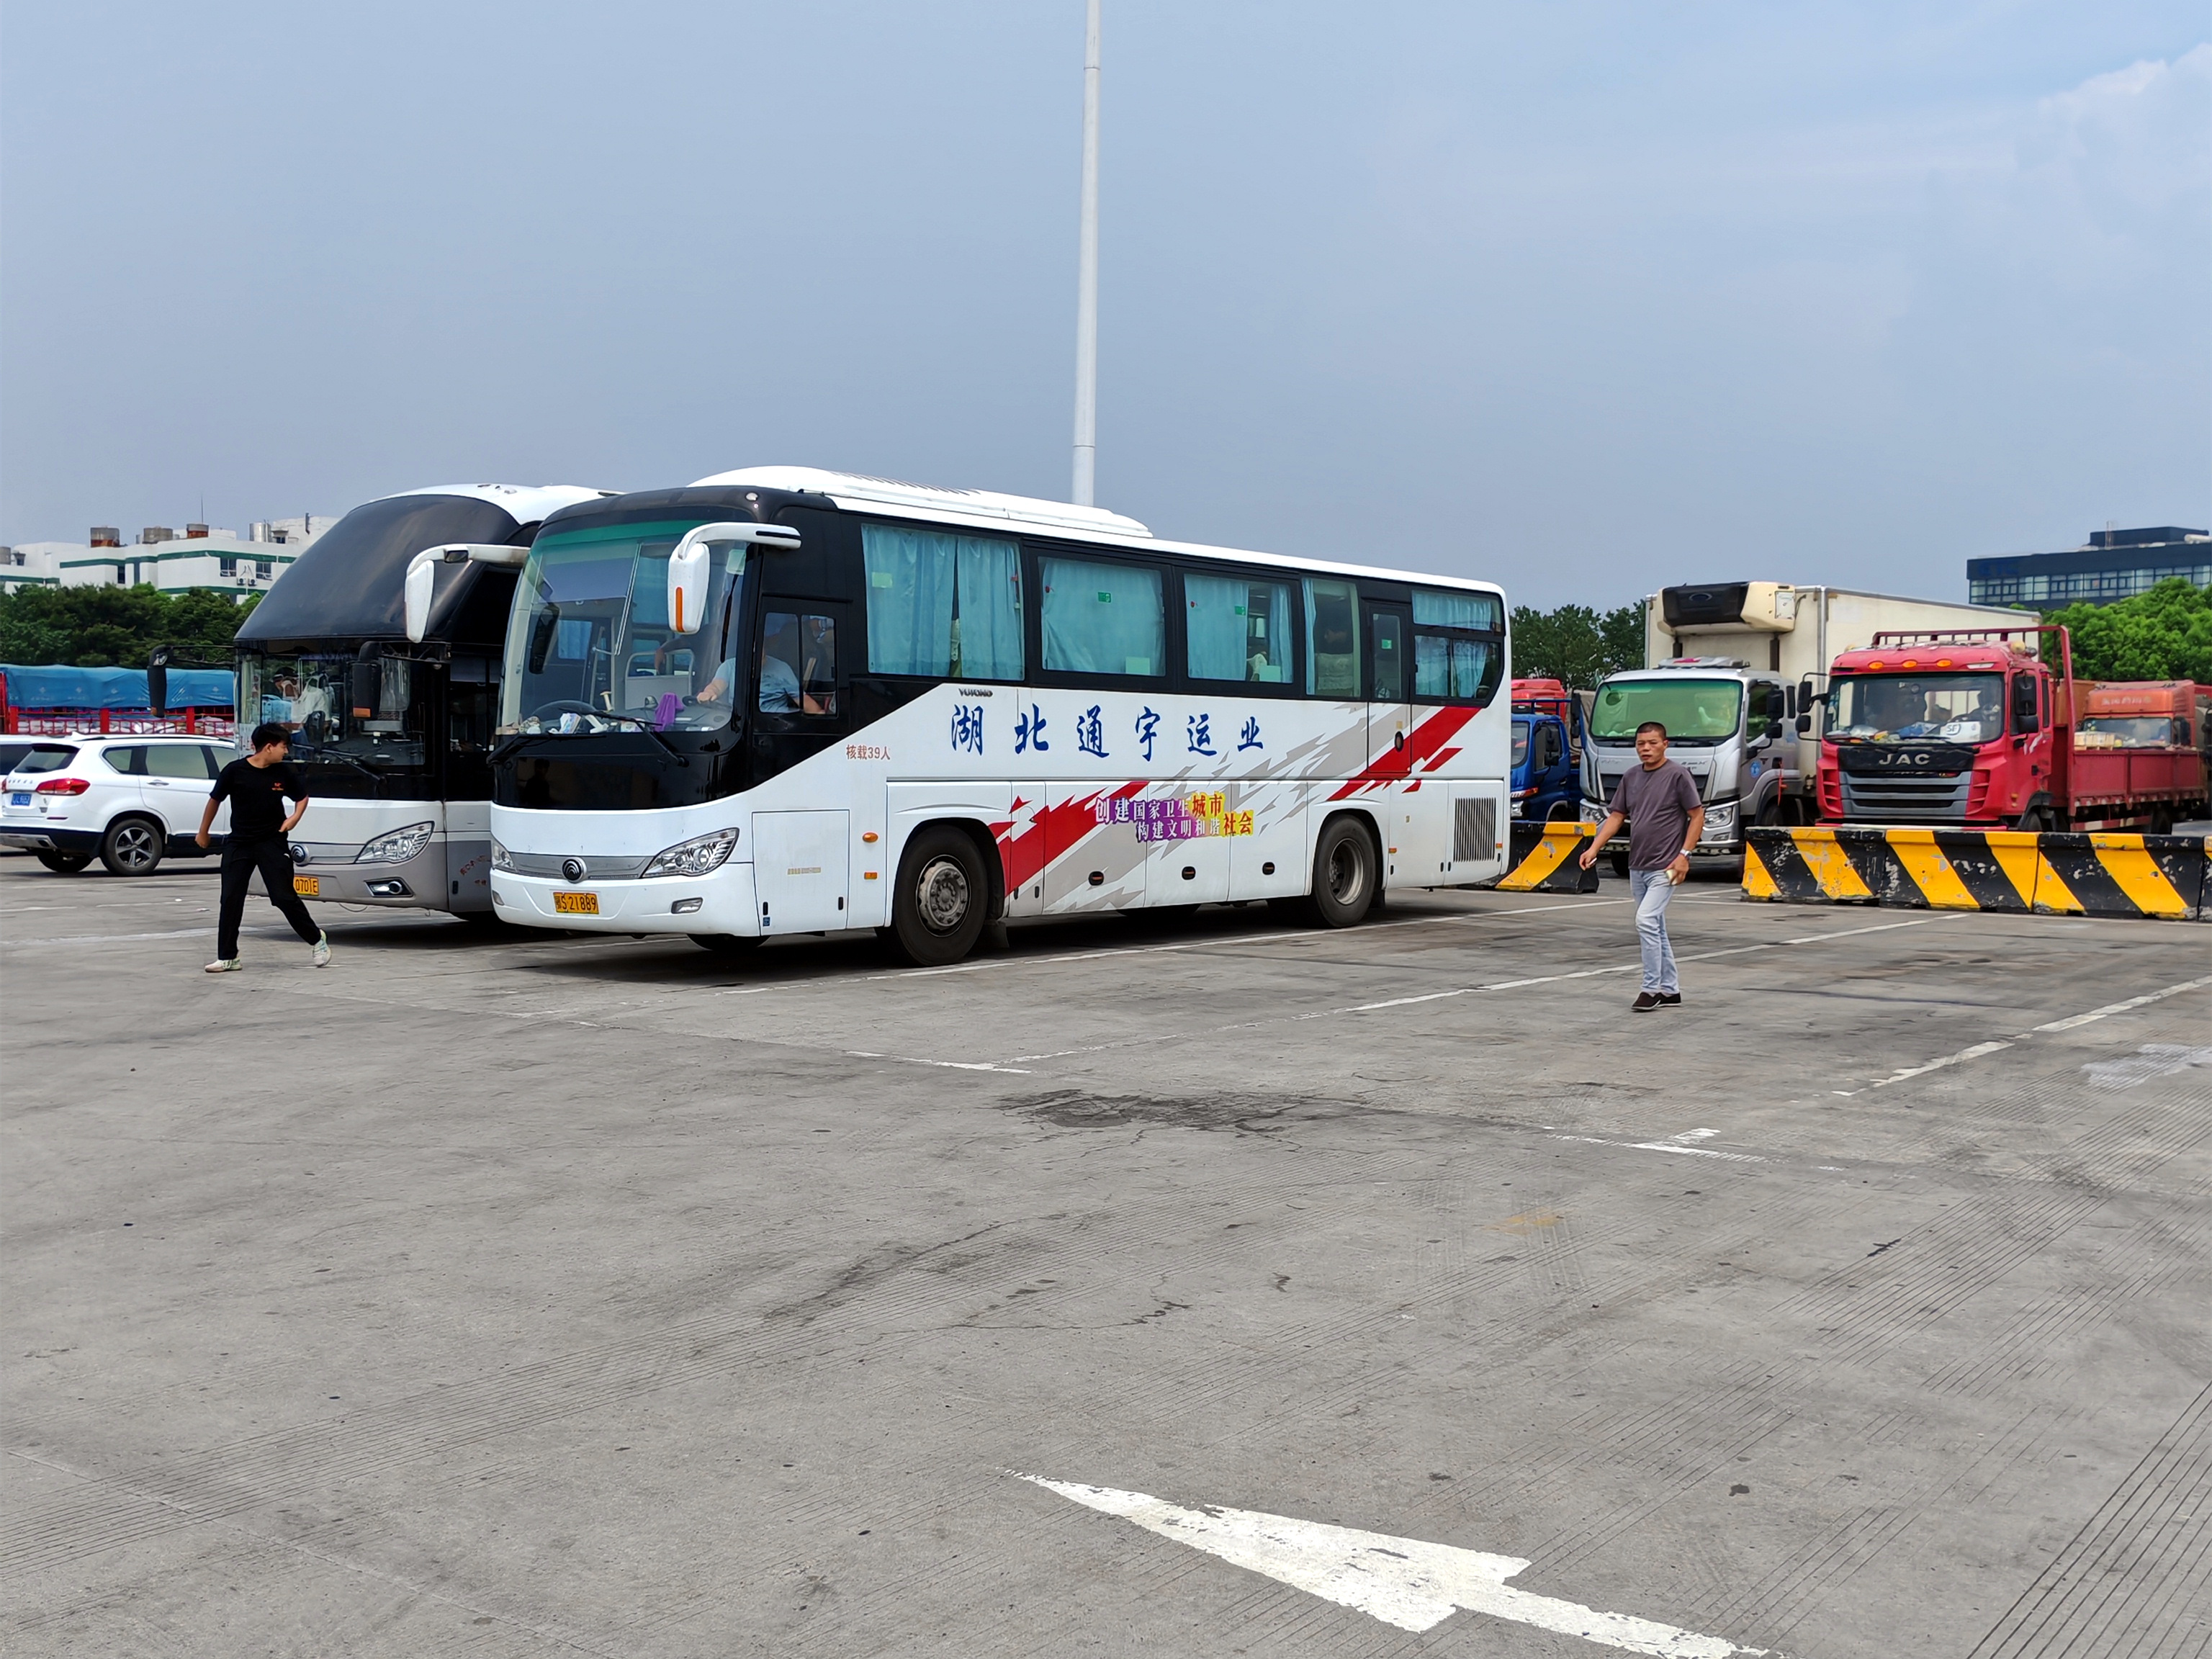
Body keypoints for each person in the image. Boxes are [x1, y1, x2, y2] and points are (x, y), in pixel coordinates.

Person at [1579, 720, 1704, 1012]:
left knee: (1646, 921)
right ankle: (1671, 990)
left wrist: (1684, 854)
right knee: (1656, 926)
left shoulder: (1678, 775)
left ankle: (1651, 989)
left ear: (1665, 744)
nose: (1646, 749)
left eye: (1652, 743)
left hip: (1669, 864)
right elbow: (1616, 817)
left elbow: (1697, 815)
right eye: (1640, 744)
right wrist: (1594, 848)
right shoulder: (1631, 777)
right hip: (1638, 865)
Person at [197, 722, 329, 973]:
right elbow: (215, 800)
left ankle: (316, 939)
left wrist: (294, 818)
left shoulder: (283, 773)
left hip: (272, 841)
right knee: (231, 898)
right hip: (239, 843)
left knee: (282, 897)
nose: (286, 752)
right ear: (268, 747)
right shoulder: (235, 771)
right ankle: (228, 957)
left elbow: (302, 797)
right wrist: (203, 831)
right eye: (283, 747)